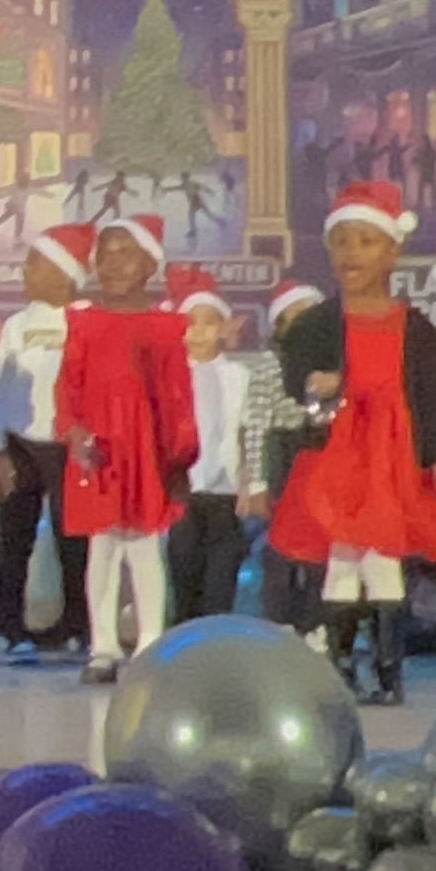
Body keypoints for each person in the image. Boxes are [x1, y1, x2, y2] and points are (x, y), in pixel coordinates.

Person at [270, 178, 436, 705]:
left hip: (389, 460)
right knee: (341, 556)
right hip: (339, 461)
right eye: (342, 240)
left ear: (392, 252)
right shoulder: (315, 325)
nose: (352, 252)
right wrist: (318, 393)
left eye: (367, 240)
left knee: (383, 557)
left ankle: (387, 669)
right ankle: (338, 664)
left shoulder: (416, 330)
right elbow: (299, 386)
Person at [54, 209, 198, 687]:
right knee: (103, 545)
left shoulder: (163, 328)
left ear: (149, 266)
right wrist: (74, 431)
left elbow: (177, 395)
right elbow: (68, 386)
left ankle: (152, 644)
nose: (112, 265)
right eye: (105, 255)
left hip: (146, 450)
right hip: (99, 449)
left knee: (143, 546)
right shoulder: (85, 324)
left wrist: (179, 455)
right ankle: (103, 645)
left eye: (125, 254)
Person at [0, 219, 94, 663]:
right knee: (14, 541)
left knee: (75, 542)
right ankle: (10, 629)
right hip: (20, 445)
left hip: (69, 447)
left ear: (65, 274)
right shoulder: (14, 326)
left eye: (36, 262)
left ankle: (78, 626)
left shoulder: (86, 321)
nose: (26, 270)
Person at [165, 265, 255, 624]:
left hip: (225, 491)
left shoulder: (238, 376)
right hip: (183, 490)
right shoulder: (170, 376)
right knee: (184, 569)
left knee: (221, 576)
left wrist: (249, 480)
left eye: (208, 322)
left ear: (223, 329)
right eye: (191, 321)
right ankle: (185, 642)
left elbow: (247, 431)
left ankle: (217, 638)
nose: (199, 331)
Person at [251, 278, 323, 629]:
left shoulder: (333, 364)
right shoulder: (268, 364)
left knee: (320, 546)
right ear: (280, 325)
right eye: (295, 316)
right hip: (284, 452)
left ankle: (316, 624)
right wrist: (256, 480)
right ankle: (279, 622)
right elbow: (257, 424)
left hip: (321, 453)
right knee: (280, 546)